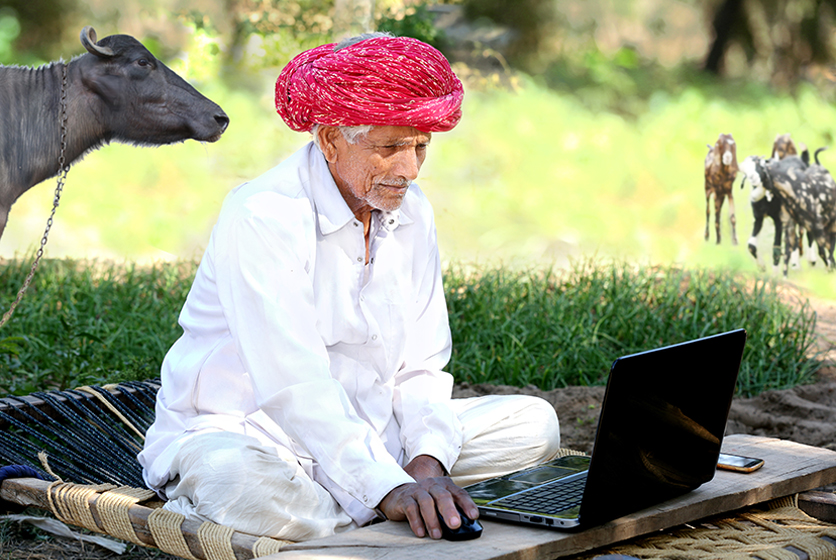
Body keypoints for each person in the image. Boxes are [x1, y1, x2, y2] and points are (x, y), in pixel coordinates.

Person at [138, 33, 561, 542]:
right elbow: (293, 386)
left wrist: (426, 464)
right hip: (253, 435)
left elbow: (423, 366)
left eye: (420, 147)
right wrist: (387, 485)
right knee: (239, 484)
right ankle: (378, 512)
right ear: (330, 139)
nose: (408, 170)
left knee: (534, 425)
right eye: (389, 148)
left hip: (376, 436)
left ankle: (365, 510)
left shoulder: (413, 210)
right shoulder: (263, 215)